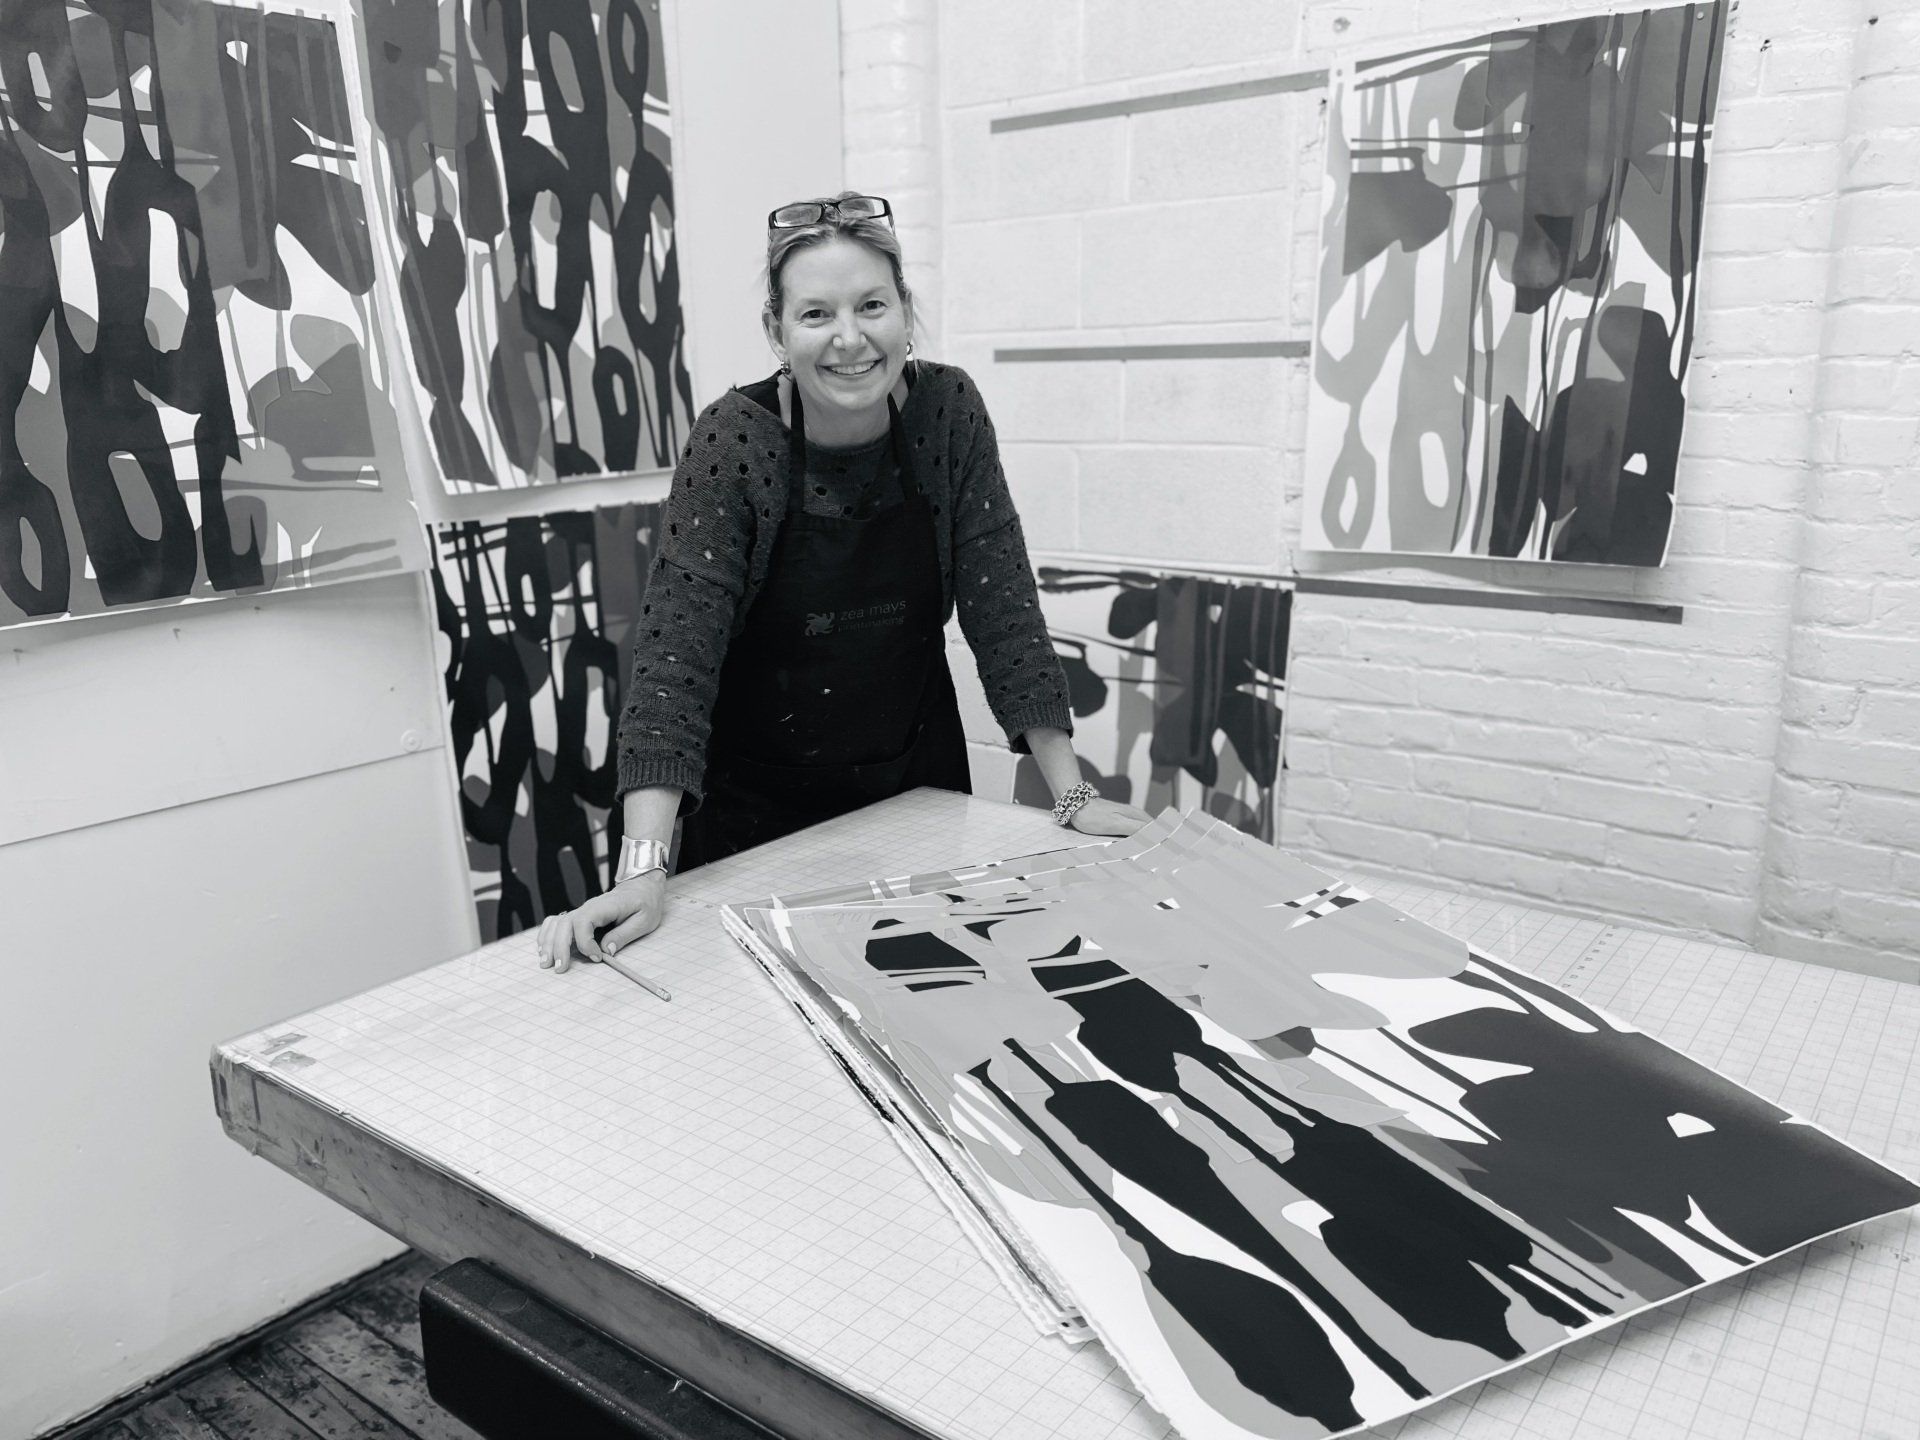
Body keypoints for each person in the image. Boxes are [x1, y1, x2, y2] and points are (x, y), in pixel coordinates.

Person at [538, 192, 1150, 973]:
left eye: (872, 305)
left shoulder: (947, 413)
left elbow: (1005, 611)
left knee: (940, 990)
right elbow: (674, 666)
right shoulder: (735, 442)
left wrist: (1070, 796)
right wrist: (643, 869)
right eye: (816, 314)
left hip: (914, 791)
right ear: (777, 331)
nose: (850, 339)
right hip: (758, 811)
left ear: (904, 311)